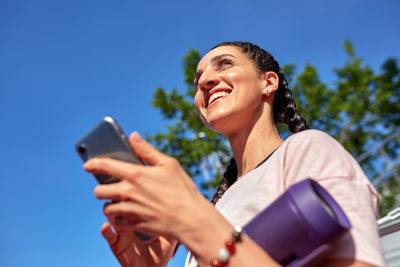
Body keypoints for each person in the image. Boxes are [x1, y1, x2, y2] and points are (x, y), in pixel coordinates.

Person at [83, 42, 385, 267]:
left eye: (224, 64)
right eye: (198, 78)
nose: (204, 81)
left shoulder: (308, 148)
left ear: (268, 82)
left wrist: (196, 222)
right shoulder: (219, 204)